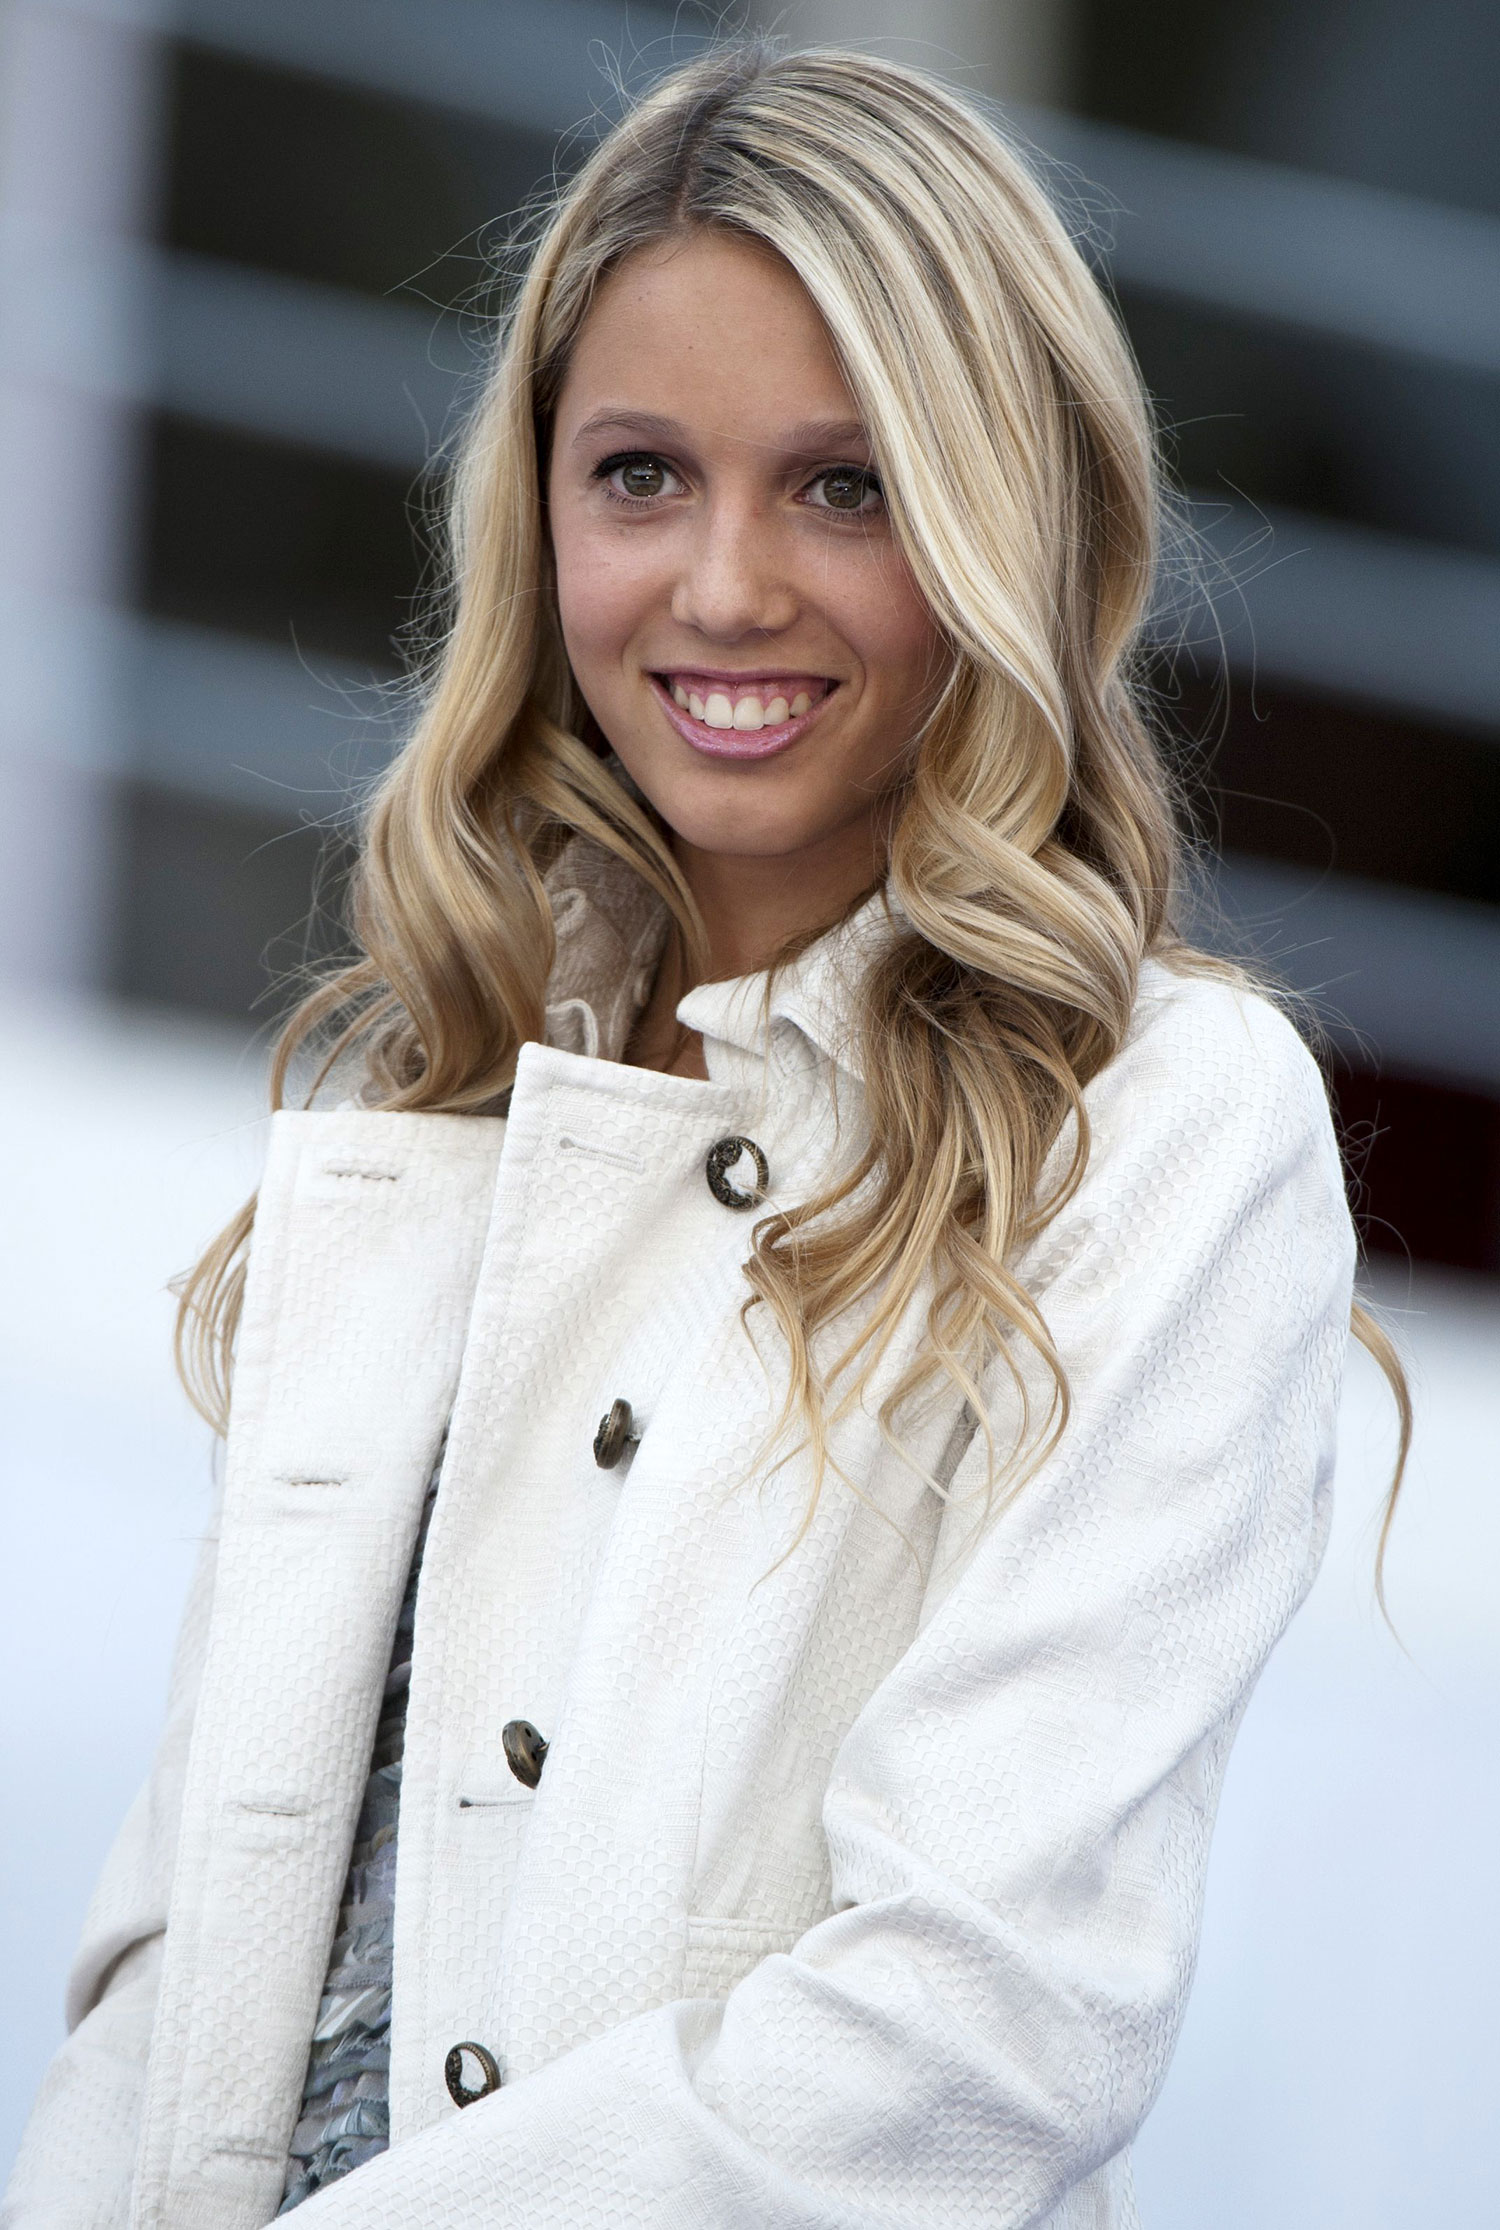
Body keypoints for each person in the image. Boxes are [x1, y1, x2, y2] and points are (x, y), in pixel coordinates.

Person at [4, 40, 1407, 2230]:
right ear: (538, 508)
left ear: (1003, 521)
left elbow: (975, 2037)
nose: (726, 586)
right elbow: (168, 1975)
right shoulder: (432, 1089)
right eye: (641, 473)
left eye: (845, 486)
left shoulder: (1163, 1131)